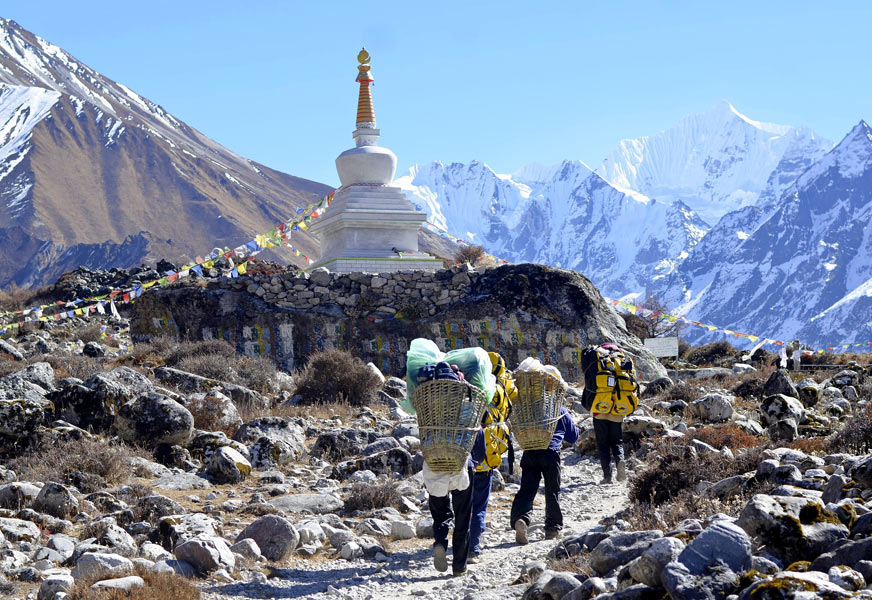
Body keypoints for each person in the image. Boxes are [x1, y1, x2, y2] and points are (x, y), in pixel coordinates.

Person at [468, 352, 515, 563]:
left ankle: (458, 543)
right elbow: (507, 412)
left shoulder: (464, 386)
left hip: (462, 458)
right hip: (486, 457)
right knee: (479, 505)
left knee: (462, 505)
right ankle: (473, 549)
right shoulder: (498, 388)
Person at [510, 406, 578, 544]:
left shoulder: (528, 409)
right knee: (552, 490)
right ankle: (552, 529)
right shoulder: (560, 410)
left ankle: (521, 519)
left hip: (529, 452)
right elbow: (573, 437)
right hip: (551, 453)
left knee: (527, 490)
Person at [425, 430, 486, 576]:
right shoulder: (471, 418)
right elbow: (480, 452)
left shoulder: (429, 418)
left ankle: (440, 542)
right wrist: (474, 463)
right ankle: (459, 567)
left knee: (440, 513)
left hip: (435, 467)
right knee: (462, 518)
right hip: (462, 468)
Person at [593, 408, 625, 484]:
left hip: (599, 414)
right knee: (617, 442)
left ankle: (607, 477)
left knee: (603, 445)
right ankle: (620, 460)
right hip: (617, 414)